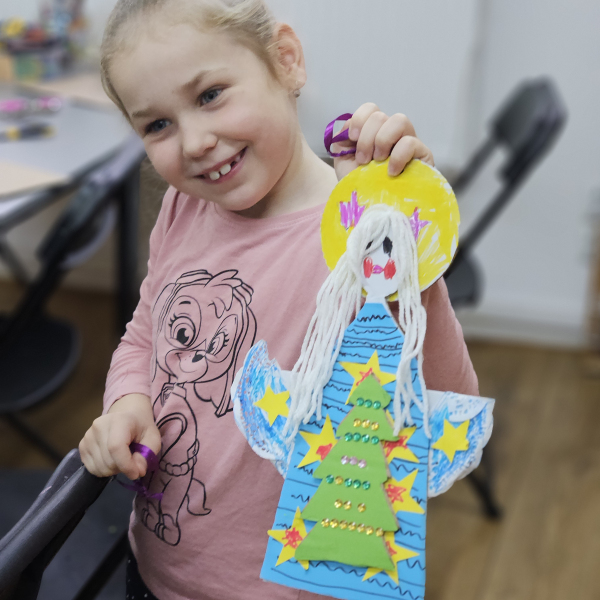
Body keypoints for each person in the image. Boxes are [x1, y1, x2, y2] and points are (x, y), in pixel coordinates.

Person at [79, 1, 478, 599]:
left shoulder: (358, 237)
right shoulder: (183, 206)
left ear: (285, 60)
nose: (195, 142)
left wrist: (398, 248)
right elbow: (145, 330)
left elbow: (442, 403)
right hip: (156, 570)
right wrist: (127, 399)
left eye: (210, 94)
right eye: (157, 125)